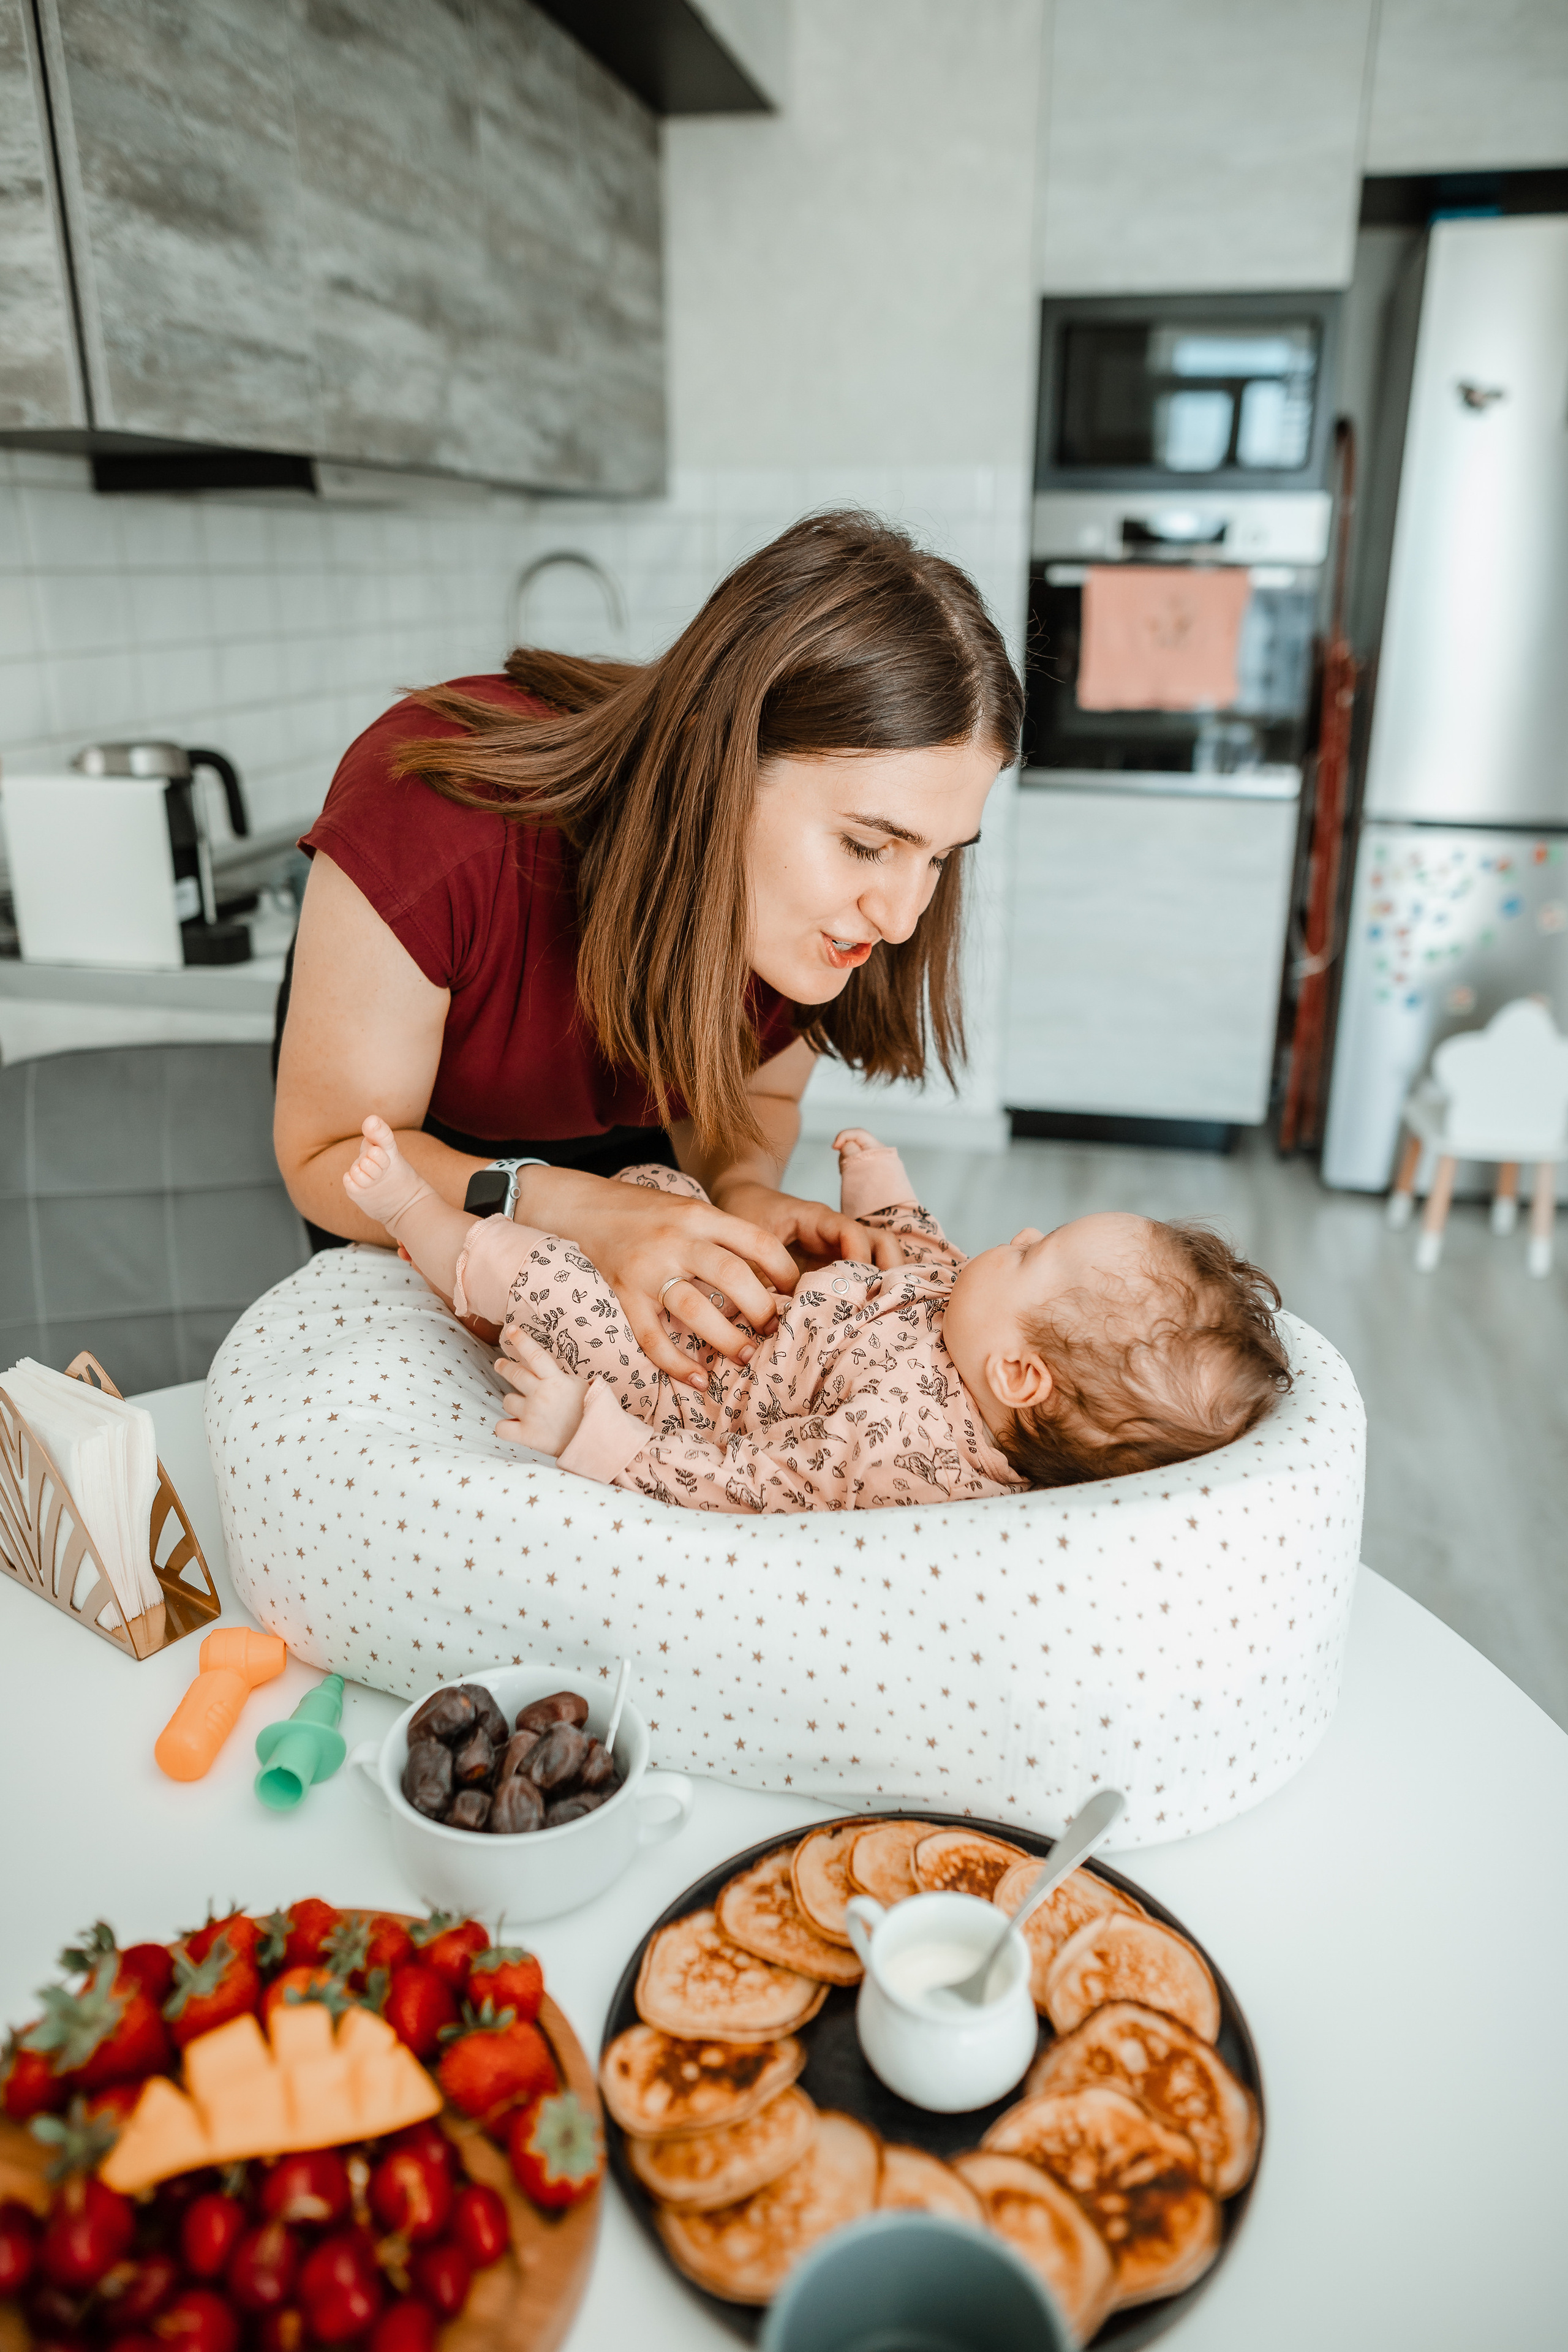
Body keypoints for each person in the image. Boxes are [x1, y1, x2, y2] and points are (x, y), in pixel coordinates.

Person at [273, 512, 1020, 1393]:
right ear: (718, 759)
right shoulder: (438, 813)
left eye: (937, 857)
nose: (901, 919)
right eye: (866, 845)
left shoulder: (836, 913)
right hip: (418, 1177)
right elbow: (328, 1159)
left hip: (638, 1175)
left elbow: (758, 1086)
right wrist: (578, 1210)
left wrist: (742, 1189)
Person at [340, 1114, 1294, 1512]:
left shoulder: (900, 1453)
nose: (1025, 1231)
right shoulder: (982, 1326)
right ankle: (484, 1303)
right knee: (660, 1186)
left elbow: (750, 1484)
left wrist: (593, 1441)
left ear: (1020, 1376)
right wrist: (883, 1190)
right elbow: (925, 1256)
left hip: (685, 1383)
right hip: (750, 1314)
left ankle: (416, 1217)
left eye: (1036, 1253)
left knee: (538, 1273)